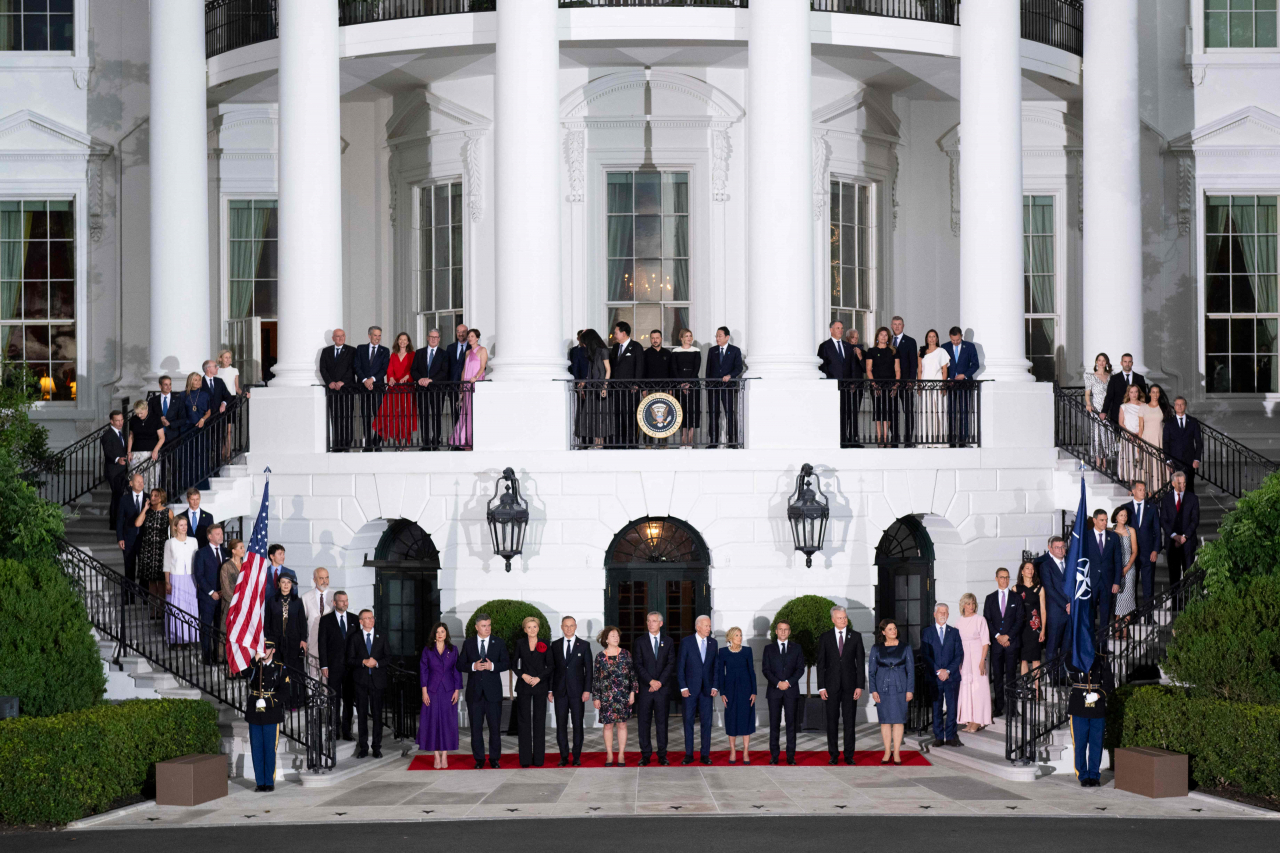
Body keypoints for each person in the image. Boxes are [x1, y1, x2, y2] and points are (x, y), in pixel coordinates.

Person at [456, 612, 508, 768]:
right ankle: (479, 759)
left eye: (489, 625)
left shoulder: (498, 642)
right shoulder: (469, 643)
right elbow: (460, 665)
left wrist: (493, 666)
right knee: (476, 729)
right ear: (476, 627)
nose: (487, 628)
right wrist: (473, 666)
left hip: (493, 694)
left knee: (494, 728)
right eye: (484, 626)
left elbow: (506, 663)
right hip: (474, 694)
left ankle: (494, 759)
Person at [815, 605, 865, 765]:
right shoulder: (825, 637)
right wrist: (821, 687)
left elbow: (861, 663)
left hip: (851, 686)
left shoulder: (856, 636)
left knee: (849, 721)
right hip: (831, 686)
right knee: (832, 721)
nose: (843, 620)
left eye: (845, 617)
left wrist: (860, 685)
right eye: (840, 618)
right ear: (833, 620)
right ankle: (833, 755)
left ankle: (849, 755)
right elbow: (821, 663)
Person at [868, 618, 914, 765]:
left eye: (894, 628)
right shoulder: (876, 648)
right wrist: (873, 690)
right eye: (890, 629)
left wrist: (910, 690)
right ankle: (887, 752)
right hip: (882, 688)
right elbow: (871, 671)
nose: (893, 631)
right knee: (885, 721)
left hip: (900, 687)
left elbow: (911, 671)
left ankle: (897, 752)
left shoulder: (906, 647)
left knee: (899, 720)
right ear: (883, 632)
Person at [632, 610, 674, 766]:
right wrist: (650, 681)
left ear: (661, 623)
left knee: (662, 723)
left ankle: (662, 755)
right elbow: (637, 664)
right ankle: (646, 755)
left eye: (654, 621)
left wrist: (659, 683)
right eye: (648, 621)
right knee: (644, 723)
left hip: (662, 690)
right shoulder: (640, 641)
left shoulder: (668, 641)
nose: (650, 624)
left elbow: (670, 664)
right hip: (645, 689)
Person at [1068, 648, 1114, 787]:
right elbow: (1069, 667)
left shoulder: (1102, 659)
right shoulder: (1073, 656)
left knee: (1096, 743)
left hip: (1097, 705)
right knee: (1080, 743)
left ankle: (1094, 775)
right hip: (1079, 704)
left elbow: (1109, 682)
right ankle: (1083, 775)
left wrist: (1098, 694)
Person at [417, 622, 462, 768]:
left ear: (446, 633)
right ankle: (436, 755)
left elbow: (457, 670)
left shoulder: (453, 649)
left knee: (447, 723)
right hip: (432, 690)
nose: (440, 634)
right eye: (437, 632)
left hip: (448, 690)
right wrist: (424, 692)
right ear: (434, 634)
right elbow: (423, 671)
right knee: (433, 722)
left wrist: (457, 690)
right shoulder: (427, 650)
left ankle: (445, 756)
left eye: (442, 631)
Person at [551, 615, 593, 767]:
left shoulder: (584, 645)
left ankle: (576, 756)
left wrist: (587, 690)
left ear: (575, 627)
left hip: (577, 692)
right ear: (562, 627)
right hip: (560, 691)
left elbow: (589, 670)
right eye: (566, 626)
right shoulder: (554, 645)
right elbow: (552, 669)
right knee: (561, 725)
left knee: (577, 724)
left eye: (571, 625)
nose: (569, 628)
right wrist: (550, 690)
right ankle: (563, 756)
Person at [591, 626, 636, 767]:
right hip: (606, 697)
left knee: (622, 724)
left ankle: (621, 754)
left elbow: (632, 675)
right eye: (612, 636)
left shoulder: (625, 654)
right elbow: (596, 679)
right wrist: (596, 697)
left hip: (622, 696)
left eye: (617, 635)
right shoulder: (600, 656)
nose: (616, 638)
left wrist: (632, 692)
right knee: (608, 726)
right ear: (606, 639)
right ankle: (610, 754)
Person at [347, 609, 390, 758]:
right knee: (362, 716)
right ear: (361, 621)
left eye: (372, 617)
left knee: (378, 716)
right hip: (360, 682)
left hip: (377, 682)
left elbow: (388, 658)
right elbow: (350, 660)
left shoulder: (382, 636)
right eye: (367, 618)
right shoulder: (355, 638)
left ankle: (377, 747)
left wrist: (376, 663)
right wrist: (363, 662)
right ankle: (363, 747)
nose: (371, 620)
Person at [244, 641, 286, 792]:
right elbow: (243, 673)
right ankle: (259, 782)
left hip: (271, 713)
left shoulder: (280, 668)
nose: (264, 651)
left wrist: (268, 702)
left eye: (267, 648)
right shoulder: (255, 665)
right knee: (256, 748)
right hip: (254, 711)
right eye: (262, 648)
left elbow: (284, 692)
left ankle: (269, 782)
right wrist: (255, 659)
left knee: (269, 748)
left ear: (273, 650)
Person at [983, 568, 1024, 718]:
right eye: (1002, 577)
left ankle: (1012, 708)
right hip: (996, 644)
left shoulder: (1016, 598)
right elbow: (987, 620)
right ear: (996, 579)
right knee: (998, 676)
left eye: (1007, 577)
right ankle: (999, 706)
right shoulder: (990, 598)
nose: (1004, 580)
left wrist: (1008, 637)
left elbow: (1020, 620)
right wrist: (998, 636)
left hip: (1011, 643)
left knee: (1012, 676)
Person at [762, 619, 805, 765]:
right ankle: (774, 755)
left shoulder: (797, 648)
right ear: (776, 631)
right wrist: (778, 683)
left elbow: (800, 669)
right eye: (780, 629)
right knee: (774, 724)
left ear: (789, 631)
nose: (783, 632)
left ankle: (790, 756)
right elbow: (765, 670)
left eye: (786, 629)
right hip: (774, 691)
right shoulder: (769, 649)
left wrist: (788, 682)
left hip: (791, 691)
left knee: (791, 724)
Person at [921, 603, 964, 747]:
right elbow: (925, 654)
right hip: (935, 677)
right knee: (936, 707)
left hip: (951, 677)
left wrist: (948, 671)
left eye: (945, 612)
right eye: (940, 612)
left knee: (952, 707)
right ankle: (938, 736)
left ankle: (951, 736)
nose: (943, 614)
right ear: (934, 614)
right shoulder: (927, 632)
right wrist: (938, 671)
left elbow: (959, 655)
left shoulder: (954, 632)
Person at [511, 616, 552, 767]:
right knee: (523, 722)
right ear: (525, 629)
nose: (532, 630)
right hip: (524, 686)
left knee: (539, 722)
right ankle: (525, 760)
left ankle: (539, 760)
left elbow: (551, 666)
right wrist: (523, 675)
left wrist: (539, 678)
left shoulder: (545, 644)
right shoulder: (520, 644)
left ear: (538, 628)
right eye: (529, 627)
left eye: (534, 627)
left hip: (540, 686)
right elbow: (514, 664)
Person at [677, 615, 718, 764]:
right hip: (689, 690)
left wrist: (715, 685)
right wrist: (683, 687)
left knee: (706, 722)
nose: (709, 628)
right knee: (688, 721)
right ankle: (689, 754)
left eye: (709, 626)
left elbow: (716, 667)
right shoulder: (686, 642)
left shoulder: (713, 643)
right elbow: (680, 666)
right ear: (698, 626)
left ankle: (705, 754)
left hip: (707, 690)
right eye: (706, 626)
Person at [265, 571, 308, 709]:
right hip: (277, 643)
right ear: (278, 584)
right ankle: (280, 701)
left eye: (288, 583)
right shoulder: (272, 601)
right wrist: (269, 643)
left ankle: (295, 701)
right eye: (283, 582)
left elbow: (302, 622)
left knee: (294, 672)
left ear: (292, 585)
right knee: (278, 672)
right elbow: (267, 623)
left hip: (294, 643)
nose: (286, 585)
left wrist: (303, 639)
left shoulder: (297, 601)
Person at [318, 591, 357, 740]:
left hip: (351, 668)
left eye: (346, 601)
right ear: (334, 603)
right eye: (341, 601)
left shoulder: (354, 619)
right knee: (333, 699)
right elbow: (322, 644)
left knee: (348, 699)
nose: (345, 603)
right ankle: (334, 730)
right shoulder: (326, 620)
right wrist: (324, 665)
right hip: (333, 667)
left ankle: (347, 731)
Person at [714, 626, 756, 764]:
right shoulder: (723, 652)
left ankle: (745, 752)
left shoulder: (747, 651)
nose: (740, 638)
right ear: (731, 638)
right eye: (737, 635)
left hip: (746, 690)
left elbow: (752, 672)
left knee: (745, 719)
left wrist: (754, 691)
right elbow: (721, 673)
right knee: (731, 720)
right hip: (730, 691)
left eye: (741, 635)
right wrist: (723, 693)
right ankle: (732, 751)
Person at [1081, 508, 1122, 641]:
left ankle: (1102, 643)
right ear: (1094, 520)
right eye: (1102, 520)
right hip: (1090, 582)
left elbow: (1118, 560)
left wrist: (1116, 582)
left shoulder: (1114, 537)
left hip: (1108, 582)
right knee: (1090, 612)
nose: (1105, 523)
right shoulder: (1086, 537)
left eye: (1106, 520)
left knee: (1105, 613)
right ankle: (1090, 642)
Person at [372, 332, 418, 447]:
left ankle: (405, 442)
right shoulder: (393, 355)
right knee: (389, 414)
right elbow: (389, 370)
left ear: (408, 342)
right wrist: (391, 378)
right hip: (394, 389)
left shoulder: (413, 354)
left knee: (405, 415)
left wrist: (407, 377)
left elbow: (413, 369)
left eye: (405, 340)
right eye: (400, 339)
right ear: (397, 341)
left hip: (407, 389)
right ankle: (395, 442)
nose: (402, 342)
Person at [193, 523, 228, 665]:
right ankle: (207, 658)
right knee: (206, 627)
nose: (221, 536)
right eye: (218, 534)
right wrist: (211, 592)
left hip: (223, 597)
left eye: (221, 533)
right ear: (210, 536)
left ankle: (218, 656)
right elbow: (199, 575)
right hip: (208, 598)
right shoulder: (201, 553)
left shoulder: (226, 552)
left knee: (220, 629)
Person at [955, 593, 991, 732]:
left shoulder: (980, 620)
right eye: (969, 603)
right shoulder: (959, 622)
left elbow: (985, 642)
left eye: (973, 603)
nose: (971, 606)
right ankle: (969, 719)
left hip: (977, 656)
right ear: (963, 605)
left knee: (978, 687)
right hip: (964, 658)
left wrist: (982, 661)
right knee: (966, 688)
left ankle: (978, 719)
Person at [1160, 470, 1200, 597]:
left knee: (1189, 574)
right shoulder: (1166, 499)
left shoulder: (1193, 498)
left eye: (1184, 483)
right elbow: (1163, 520)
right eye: (1179, 483)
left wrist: (1184, 536)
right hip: (1172, 543)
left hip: (1188, 542)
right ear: (1172, 483)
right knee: (1174, 575)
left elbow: (1195, 520)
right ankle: (1175, 603)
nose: (1182, 486)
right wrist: (1174, 536)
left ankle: (1188, 604)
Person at [163, 515, 200, 646]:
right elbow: (166, 564)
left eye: (185, 525)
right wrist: (167, 582)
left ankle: (191, 638)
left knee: (191, 606)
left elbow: (197, 562)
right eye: (181, 525)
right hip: (176, 578)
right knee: (177, 607)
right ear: (175, 527)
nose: (184, 528)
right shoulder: (170, 542)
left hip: (191, 578)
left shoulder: (193, 541)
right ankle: (177, 640)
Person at [1125, 481, 1162, 615]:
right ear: (1133, 491)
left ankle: (1148, 614)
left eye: (1144, 489)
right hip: (1131, 554)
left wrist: (1155, 550)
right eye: (1140, 489)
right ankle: (1132, 614)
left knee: (1148, 585)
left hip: (1148, 553)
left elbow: (1157, 531)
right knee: (1131, 585)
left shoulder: (1152, 508)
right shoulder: (1126, 509)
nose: (1143, 492)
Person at [705, 326, 744, 448]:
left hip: (728, 388)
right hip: (714, 388)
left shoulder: (735, 350)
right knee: (713, 414)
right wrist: (708, 386)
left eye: (720, 336)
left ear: (727, 337)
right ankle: (713, 442)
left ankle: (732, 442)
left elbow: (739, 368)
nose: (717, 338)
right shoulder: (712, 351)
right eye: (716, 336)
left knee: (730, 414)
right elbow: (708, 369)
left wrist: (730, 375)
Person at [135, 487, 171, 616]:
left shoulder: (168, 512)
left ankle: (161, 610)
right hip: (148, 548)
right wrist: (144, 508)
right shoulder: (147, 511)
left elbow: (172, 533)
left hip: (162, 549)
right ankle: (153, 609)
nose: (153, 497)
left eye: (156, 495)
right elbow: (137, 524)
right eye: (152, 495)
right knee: (151, 581)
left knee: (161, 581)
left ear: (161, 498)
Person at [410, 329, 449, 449]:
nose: (433, 339)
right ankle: (426, 442)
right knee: (424, 415)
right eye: (431, 337)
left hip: (437, 390)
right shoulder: (419, 352)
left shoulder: (444, 354)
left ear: (439, 339)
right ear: (427, 338)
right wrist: (420, 379)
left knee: (437, 415)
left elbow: (445, 371)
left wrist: (431, 380)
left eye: (436, 337)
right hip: (422, 390)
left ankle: (436, 442)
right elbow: (413, 370)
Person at [609, 321, 646, 448]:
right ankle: (620, 441)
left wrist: (636, 384)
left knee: (631, 414)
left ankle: (632, 442)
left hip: (631, 388)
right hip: (616, 389)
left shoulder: (636, 347)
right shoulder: (615, 348)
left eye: (616, 332)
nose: (614, 335)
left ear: (623, 333)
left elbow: (640, 367)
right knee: (618, 414)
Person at [574, 328, 613, 448]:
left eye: (585, 341)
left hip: (600, 386)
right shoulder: (592, 352)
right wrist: (584, 382)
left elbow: (608, 369)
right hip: (592, 387)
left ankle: (600, 442)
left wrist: (605, 387)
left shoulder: (603, 350)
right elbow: (590, 371)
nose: (584, 344)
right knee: (592, 414)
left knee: (601, 415)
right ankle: (595, 441)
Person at [354, 326, 391, 451]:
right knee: (365, 415)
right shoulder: (360, 348)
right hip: (364, 388)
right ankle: (368, 444)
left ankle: (377, 442)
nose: (378, 338)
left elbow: (384, 369)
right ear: (369, 336)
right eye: (375, 335)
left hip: (378, 387)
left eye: (379, 335)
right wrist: (365, 380)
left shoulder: (385, 351)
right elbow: (357, 366)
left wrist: (372, 379)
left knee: (379, 416)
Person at [320, 328, 357, 450]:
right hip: (332, 390)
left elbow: (353, 368)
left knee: (347, 416)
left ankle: (346, 443)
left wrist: (343, 382)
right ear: (333, 338)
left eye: (343, 336)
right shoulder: (326, 351)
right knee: (335, 417)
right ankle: (337, 443)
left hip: (347, 389)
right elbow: (323, 368)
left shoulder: (352, 351)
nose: (341, 338)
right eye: (338, 336)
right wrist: (330, 382)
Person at [862, 327, 900, 447]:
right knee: (878, 410)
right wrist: (874, 385)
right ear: (877, 337)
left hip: (890, 384)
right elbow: (868, 370)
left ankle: (886, 436)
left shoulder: (893, 351)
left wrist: (896, 385)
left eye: (885, 335)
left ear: (888, 337)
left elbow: (897, 369)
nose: (883, 337)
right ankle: (879, 437)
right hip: (876, 385)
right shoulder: (871, 351)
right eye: (881, 335)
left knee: (888, 410)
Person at [941, 327, 979, 445]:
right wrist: (947, 379)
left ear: (961, 336)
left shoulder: (970, 346)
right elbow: (943, 366)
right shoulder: (944, 347)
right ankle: (952, 439)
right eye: (953, 340)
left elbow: (975, 364)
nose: (956, 342)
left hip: (965, 384)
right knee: (951, 412)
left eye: (957, 340)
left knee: (964, 411)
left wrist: (965, 375)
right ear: (949, 337)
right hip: (951, 384)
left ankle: (963, 439)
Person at [819, 319, 855, 445]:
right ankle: (833, 439)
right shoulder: (824, 346)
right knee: (833, 413)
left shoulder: (848, 346)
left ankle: (844, 439)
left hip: (845, 386)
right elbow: (823, 367)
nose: (840, 330)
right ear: (831, 330)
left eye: (841, 328)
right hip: (832, 386)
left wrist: (852, 383)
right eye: (838, 328)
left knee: (846, 413)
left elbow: (852, 366)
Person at [450, 328, 487, 449]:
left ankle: (473, 440)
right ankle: (464, 440)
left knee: (474, 412)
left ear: (477, 338)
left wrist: (476, 377)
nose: (470, 338)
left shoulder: (483, 350)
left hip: (476, 384)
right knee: (465, 412)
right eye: (469, 336)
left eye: (472, 336)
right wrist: (461, 385)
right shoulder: (467, 352)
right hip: (466, 384)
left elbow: (482, 367)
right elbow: (464, 370)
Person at [1035, 536, 1070, 662]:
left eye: (1062, 547)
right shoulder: (1045, 566)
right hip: (1056, 612)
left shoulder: (1072, 563)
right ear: (1050, 548)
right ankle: (1053, 677)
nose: (1060, 550)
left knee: (1067, 646)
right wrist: (1067, 605)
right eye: (1057, 547)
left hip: (1071, 612)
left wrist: (1073, 604)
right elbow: (1050, 590)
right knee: (1053, 646)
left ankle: (1064, 677)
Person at [116, 473, 148, 601]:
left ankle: (144, 596)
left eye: (142, 481)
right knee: (129, 568)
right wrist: (120, 538)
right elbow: (119, 520)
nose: (141, 483)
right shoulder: (125, 499)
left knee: (145, 569)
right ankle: (129, 597)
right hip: (128, 539)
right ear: (131, 483)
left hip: (144, 540)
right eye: (138, 481)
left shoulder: (148, 498)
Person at [1083, 353, 1116, 470]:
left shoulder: (1111, 376)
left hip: (1108, 409)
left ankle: (1105, 463)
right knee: (1097, 434)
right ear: (1096, 362)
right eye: (1099, 360)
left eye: (1104, 360)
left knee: (1106, 434)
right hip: (1096, 409)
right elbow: (1087, 393)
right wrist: (1088, 404)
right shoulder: (1090, 376)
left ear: (1106, 362)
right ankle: (1098, 462)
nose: (1101, 363)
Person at [1164, 396, 1203, 493]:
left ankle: (1189, 508)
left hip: (1189, 461)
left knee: (1189, 488)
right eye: (1177, 404)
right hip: (1174, 461)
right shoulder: (1169, 423)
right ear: (1174, 406)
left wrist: (1197, 458)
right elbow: (1166, 442)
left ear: (1185, 406)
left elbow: (1198, 442)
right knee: (1175, 488)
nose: (1179, 406)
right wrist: (1168, 460)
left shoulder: (1193, 421)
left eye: (1181, 404)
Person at [1015, 560, 1046, 680]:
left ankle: (1037, 692)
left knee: (1036, 659)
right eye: (1027, 568)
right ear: (1022, 571)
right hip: (1021, 628)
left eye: (1032, 569)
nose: (1030, 571)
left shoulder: (1039, 588)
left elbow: (1043, 610)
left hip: (1035, 627)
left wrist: (1043, 630)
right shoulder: (1016, 589)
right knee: (1023, 659)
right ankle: (1025, 689)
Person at [670, 329, 701, 446]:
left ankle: (690, 439)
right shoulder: (675, 351)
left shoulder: (696, 351)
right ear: (681, 338)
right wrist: (682, 384)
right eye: (686, 336)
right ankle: (683, 440)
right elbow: (674, 369)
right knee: (681, 411)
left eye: (690, 336)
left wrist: (689, 383)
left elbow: (696, 368)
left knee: (693, 411)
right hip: (679, 385)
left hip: (693, 385)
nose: (689, 338)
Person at [890, 316, 919, 446]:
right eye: (895, 324)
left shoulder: (910, 341)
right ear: (891, 325)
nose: (897, 326)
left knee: (908, 411)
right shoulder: (887, 340)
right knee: (893, 412)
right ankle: (894, 439)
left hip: (906, 382)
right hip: (891, 383)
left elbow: (914, 363)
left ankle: (908, 440)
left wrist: (911, 381)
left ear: (903, 326)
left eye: (899, 324)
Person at [917, 329, 949, 444]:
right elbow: (919, 370)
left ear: (937, 338)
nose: (931, 338)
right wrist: (919, 385)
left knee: (939, 411)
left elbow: (945, 370)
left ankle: (940, 441)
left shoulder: (942, 351)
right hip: (926, 385)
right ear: (926, 338)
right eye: (929, 336)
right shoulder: (922, 352)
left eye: (934, 336)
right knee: (927, 411)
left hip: (938, 384)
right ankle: (927, 440)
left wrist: (943, 385)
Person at [1111, 506, 1138, 634]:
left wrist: (1127, 567)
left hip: (1129, 569)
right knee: (1117, 602)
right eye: (1121, 515)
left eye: (1125, 515)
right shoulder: (1110, 531)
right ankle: (1116, 633)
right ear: (1116, 516)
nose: (1124, 517)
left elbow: (1135, 551)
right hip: (1114, 570)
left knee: (1127, 600)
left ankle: (1125, 633)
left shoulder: (1131, 530)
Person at [302, 567, 333, 679]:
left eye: (327, 578)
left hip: (330, 644)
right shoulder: (305, 597)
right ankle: (312, 697)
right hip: (312, 643)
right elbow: (303, 623)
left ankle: (326, 697)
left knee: (327, 678)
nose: (325, 581)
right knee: (312, 676)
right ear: (314, 579)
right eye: (321, 578)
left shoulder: (335, 596)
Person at [126, 400, 163, 488]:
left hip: (151, 453)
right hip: (136, 454)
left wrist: (156, 450)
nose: (139, 415)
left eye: (141, 413)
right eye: (137, 413)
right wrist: (129, 452)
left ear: (146, 409)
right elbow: (131, 437)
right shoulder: (133, 420)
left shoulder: (155, 418)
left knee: (151, 480)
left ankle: (150, 500)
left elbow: (162, 438)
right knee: (135, 480)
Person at [101, 410, 128, 531]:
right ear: (111, 421)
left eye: (122, 420)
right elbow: (108, 452)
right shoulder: (107, 435)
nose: (120, 423)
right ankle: (114, 524)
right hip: (113, 470)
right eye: (117, 421)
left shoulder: (120, 433)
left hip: (122, 470)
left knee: (119, 495)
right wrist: (117, 459)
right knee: (117, 495)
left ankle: (116, 522)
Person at [1101, 353, 1147, 424]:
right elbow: (1109, 396)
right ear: (1121, 363)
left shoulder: (1140, 378)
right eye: (1125, 362)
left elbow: (1144, 396)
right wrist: (1104, 411)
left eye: (1129, 362)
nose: (1127, 364)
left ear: (1132, 363)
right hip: (1117, 414)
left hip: (1135, 414)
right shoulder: (1114, 379)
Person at [219, 538, 245, 650]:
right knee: (227, 630)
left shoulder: (246, 566)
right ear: (233, 551)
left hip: (244, 605)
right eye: (241, 548)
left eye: (243, 547)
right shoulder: (226, 567)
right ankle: (224, 657)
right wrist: (236, 602)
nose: (243, 550)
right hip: (230, 605)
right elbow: (225, 588)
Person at [1141, 385, 1169, 491]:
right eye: (1153, 392)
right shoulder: (1143, 407)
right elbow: (1140, 427)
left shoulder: (1164, 407)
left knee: (1159, 464)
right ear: (1149, 393)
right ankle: (1149, 490)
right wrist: (1139, 445)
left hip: (1159, 438)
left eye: (1157, 392)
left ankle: (1160, 489)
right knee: (1147, 465)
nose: (1155, 394)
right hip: (1146, 438)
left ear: (1160, 394)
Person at [1118, 384, 1146, 481]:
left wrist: (1139, 434)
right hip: (1128, 436)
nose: (1134, 394)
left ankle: (1140, 482)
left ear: (1139, 393)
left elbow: (1145, 422)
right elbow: (1121, 423)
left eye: (1136, 392)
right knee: (1129, 459)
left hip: (1141, 435)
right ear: (1128, 394)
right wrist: (1129, 434)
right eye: (1131, 392)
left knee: (1140, 460)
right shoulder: (1124, 406)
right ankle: (1131, 484)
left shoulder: (1144, 406)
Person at [146, 375, 186, 442]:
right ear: (160, 386)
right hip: (156, 436)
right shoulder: (153, 400)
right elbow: (148, 417)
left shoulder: (178, 400)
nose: (169, 387)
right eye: (166, 385)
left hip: (173, 437)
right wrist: (159, 419)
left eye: (170, 384)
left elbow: (183, 419)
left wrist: (170, 424)